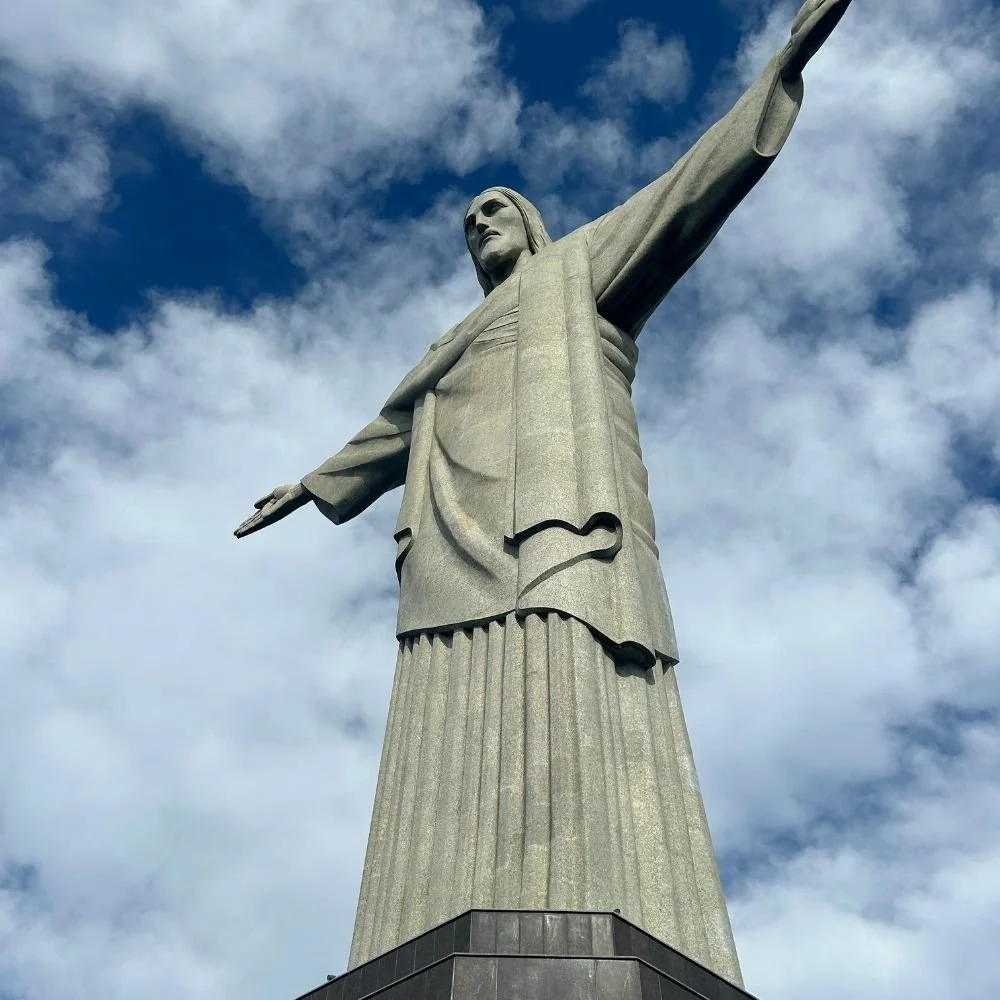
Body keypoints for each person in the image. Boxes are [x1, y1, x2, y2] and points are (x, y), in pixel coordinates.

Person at [235, 1, 854, 984]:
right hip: (450, 537)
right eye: (467, 218)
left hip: (560, 514)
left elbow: (688, 190)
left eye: (495, 207)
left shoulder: (578, 273)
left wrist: (782, 67)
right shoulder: (448, 345)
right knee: (447, 702)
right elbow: (390, 428)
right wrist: (309, 488)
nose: (481, 222)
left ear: (532, 223)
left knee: (568, 667)